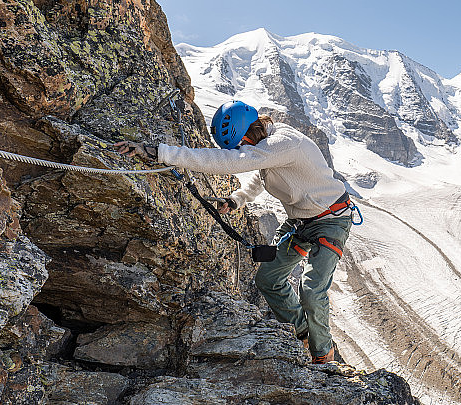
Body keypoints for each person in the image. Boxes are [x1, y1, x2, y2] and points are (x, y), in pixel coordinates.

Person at [114, 100, 351, 364]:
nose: (242, 149)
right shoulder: (268, 142)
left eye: (241, 144)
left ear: (247, 135)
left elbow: (232, 162)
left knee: (312, 290)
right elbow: (263, 172)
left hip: (331, 220)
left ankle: (322, 356)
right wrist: (237, 199)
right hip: (300, 221)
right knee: (268, 280)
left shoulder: (284, 143)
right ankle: (302, 333)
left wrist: (161, 152)